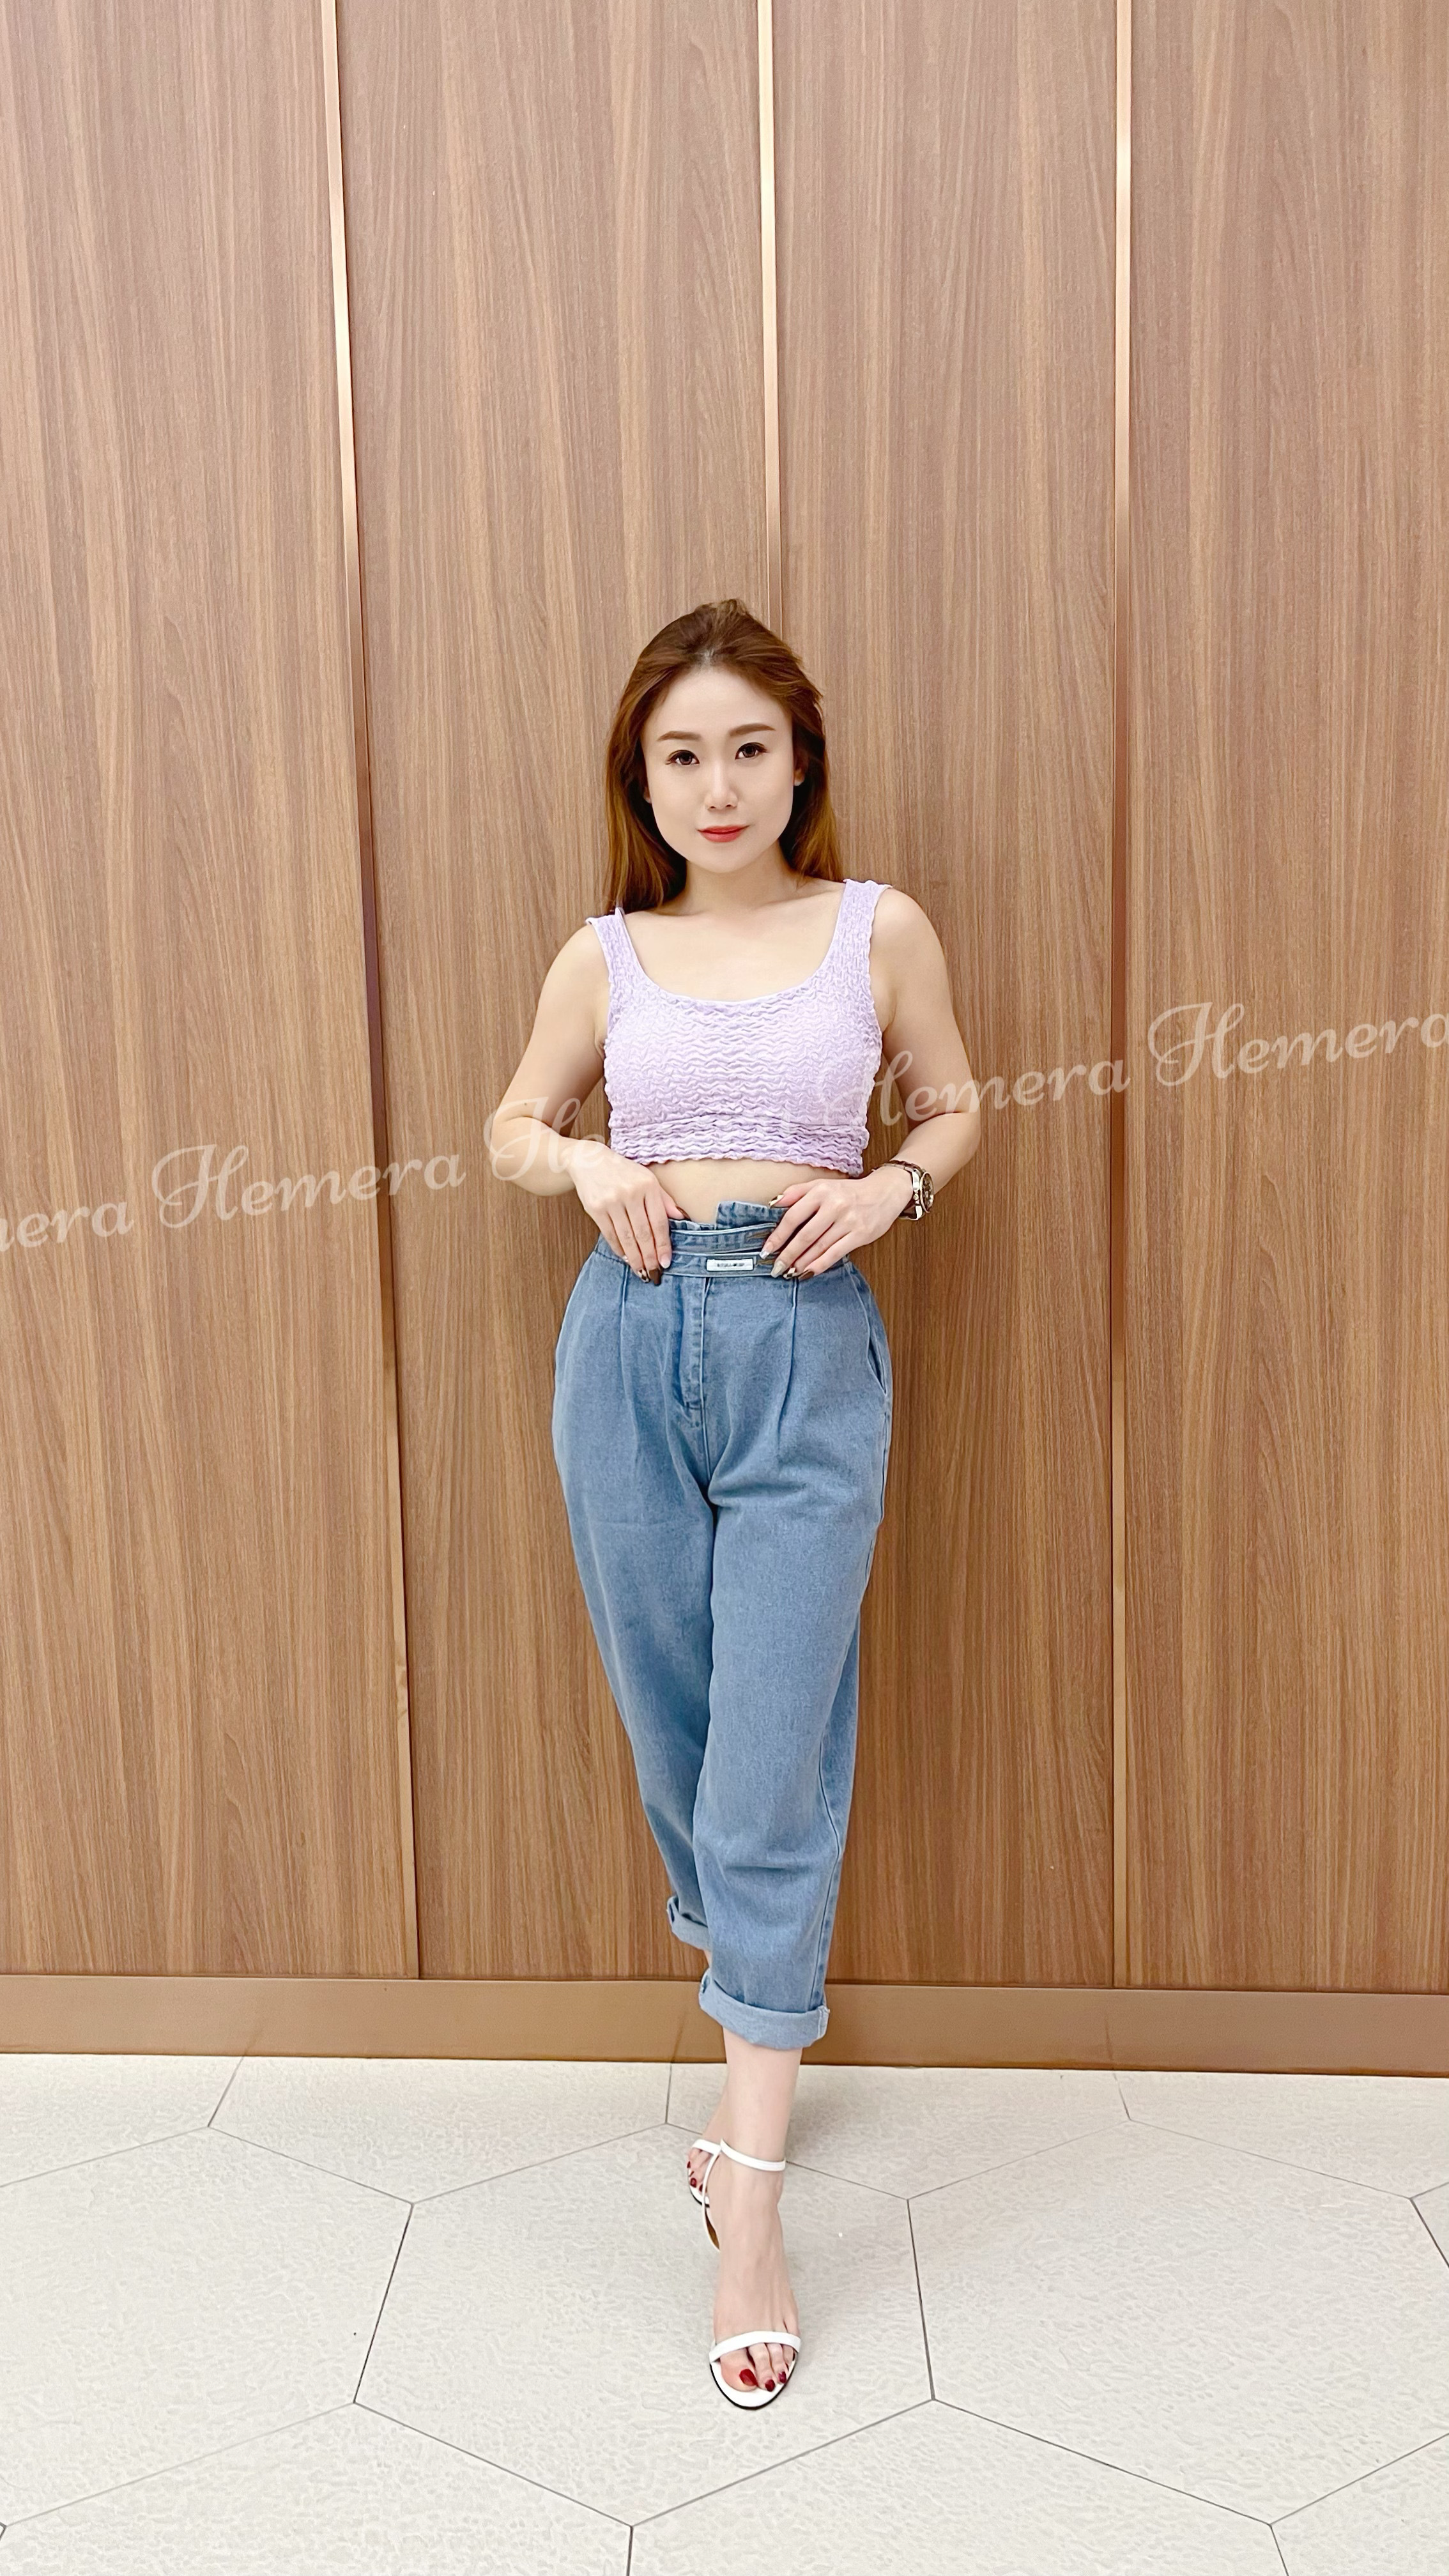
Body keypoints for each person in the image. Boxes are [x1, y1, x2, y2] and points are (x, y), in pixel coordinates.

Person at [487, 597, 978, 2409]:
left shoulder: (875, 929)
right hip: (625, 1340)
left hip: (804, 1344)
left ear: (798, 761)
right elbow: (508, 1124)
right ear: (643, 776)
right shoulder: (605, 952)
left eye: (748, 748)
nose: (717, 784)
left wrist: (896, 1190)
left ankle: (749, 2192)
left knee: (772, 1746)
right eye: (681, 753)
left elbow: (953, 1104)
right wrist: (582, 1160)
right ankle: (747, 2011)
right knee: (676, 1725)